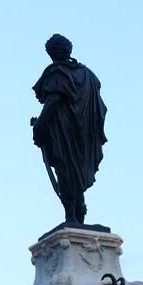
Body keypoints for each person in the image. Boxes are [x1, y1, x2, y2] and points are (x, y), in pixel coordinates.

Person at [32, 34, 107, 226]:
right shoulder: (88, 75)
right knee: (76, 175)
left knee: (66, 172)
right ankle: (77, 220)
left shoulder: (58, 73)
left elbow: (54, 99)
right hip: (86, 132)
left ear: (51, 53)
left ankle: (72, 217)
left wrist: (40, 125)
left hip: (65, 132)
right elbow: (100, 105)